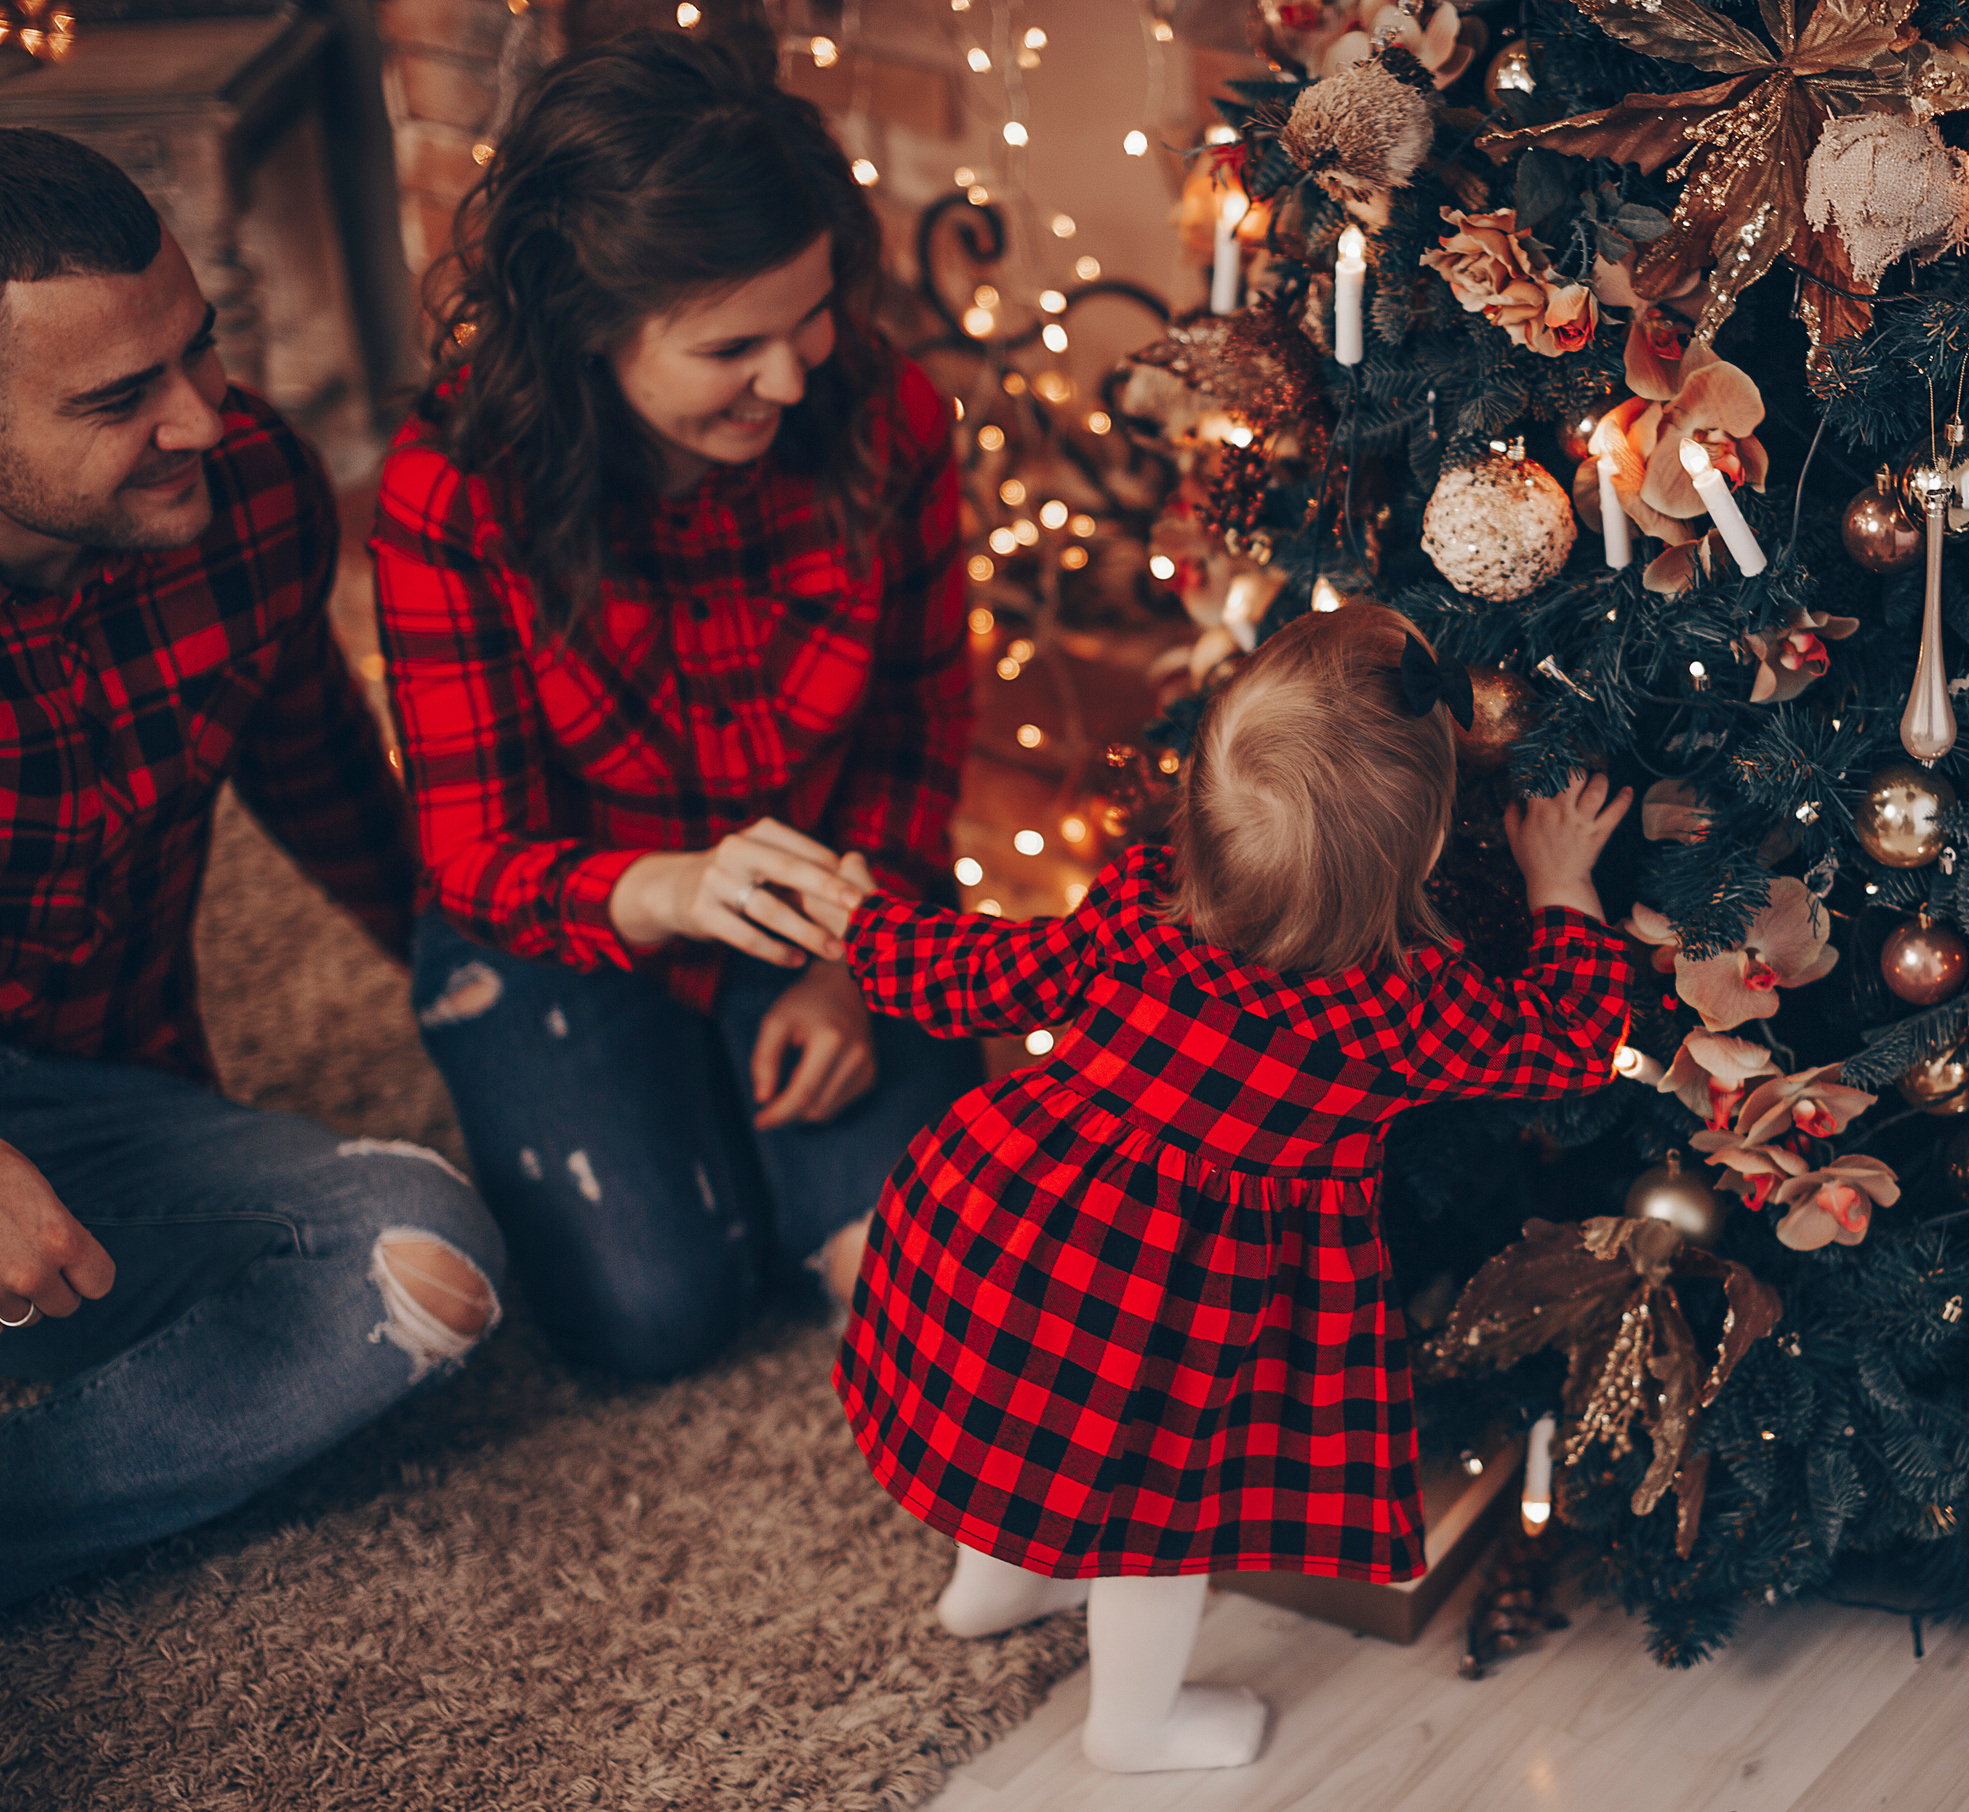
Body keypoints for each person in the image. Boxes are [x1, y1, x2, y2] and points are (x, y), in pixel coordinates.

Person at [832, 605, 1635, 1771]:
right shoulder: (1402, 1007)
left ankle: (988, 1590)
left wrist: (866, 928)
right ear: (1419, 854)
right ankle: (1133, 1724)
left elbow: (990, 976)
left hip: (1011, 1214)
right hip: (1176, 1301)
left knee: (1017, 1425)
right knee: (1152, 1523)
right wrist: (1560, 887)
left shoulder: (1141, 902)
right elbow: (1566, 1043)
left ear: (1197, 804)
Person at [370, 33, 979, 1383]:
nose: (795, 377)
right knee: (653, 1317)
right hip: (568, 916)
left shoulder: (892, 423)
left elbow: (918, 727)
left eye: (813, 313)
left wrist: (856, 962)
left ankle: (757, 1127)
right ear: (590, 330)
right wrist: (676, 893)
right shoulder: (453, 490)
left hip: (830, 896)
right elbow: (472, 851)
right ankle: (685, 1112)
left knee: (930, 1276)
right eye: (731, 347)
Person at [0, 128, 505, 1609]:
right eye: (119, 400)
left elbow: (332, 791)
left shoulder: (257, 498)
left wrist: (518, 1009)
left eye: (197, 353)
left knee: (422, 1261)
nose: (202, 420)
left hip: (107, 1110)